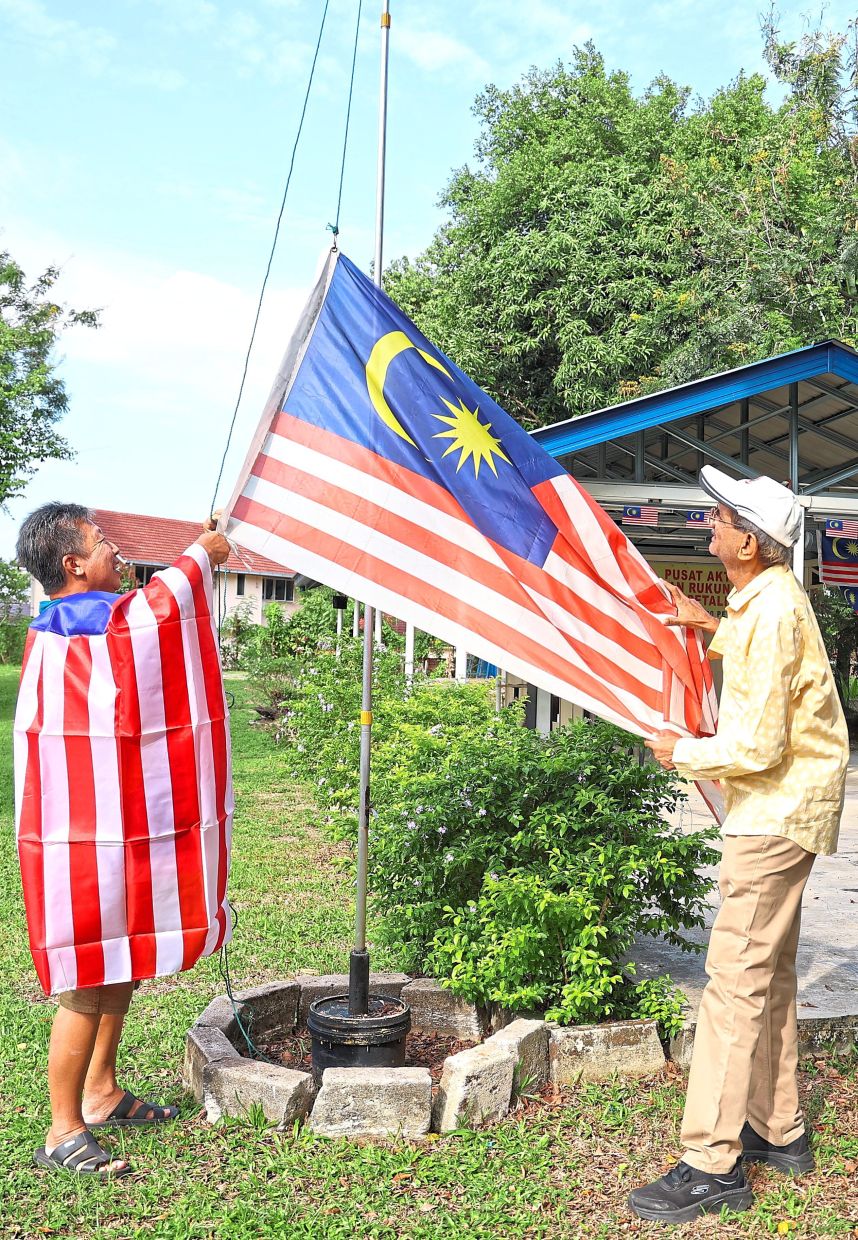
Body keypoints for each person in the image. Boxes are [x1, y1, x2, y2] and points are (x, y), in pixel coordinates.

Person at [628, 467, 849, 1224]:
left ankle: (711, 1162)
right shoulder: (768, 603)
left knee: (731, 984)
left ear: (749, 542)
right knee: (772, 974)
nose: (710, 531)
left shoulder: (770, 612)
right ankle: (779, 1129)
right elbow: (770, 672)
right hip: (791, 808)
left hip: (773, 811)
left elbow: (754, 743)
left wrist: (681, 750)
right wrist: (706, 625)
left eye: (720, 522)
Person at [14, 503, 232, 1179]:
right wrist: (202, 554)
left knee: (119, 958)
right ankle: (62, 1128)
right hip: (78, 838)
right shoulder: (74, 622)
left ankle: (102, 1092)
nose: (114, 550)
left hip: (112, 825)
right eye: (101, 542)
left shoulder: (88, 618)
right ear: (71, 564)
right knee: (85, 976)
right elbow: (151, 613)